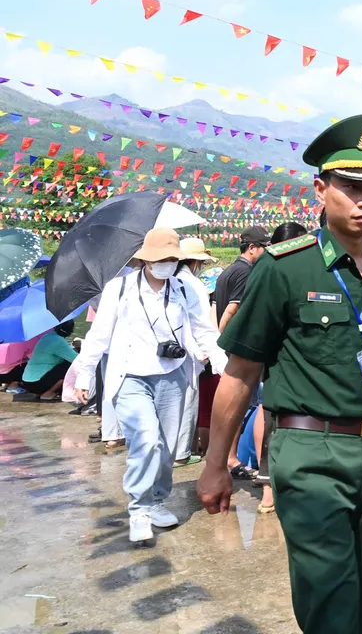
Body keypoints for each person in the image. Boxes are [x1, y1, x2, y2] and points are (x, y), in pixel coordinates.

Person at [196, 115, 362, 634]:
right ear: (321, 190)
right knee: (330, 601)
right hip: (310, 453)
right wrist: (216, 463)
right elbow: (241, 371)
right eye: (351, 187)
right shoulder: (284, 267)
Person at [73, 228, 227, 542]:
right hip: (131, 376)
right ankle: (139, 509)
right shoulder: (120, 288)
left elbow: (203, 330)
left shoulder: (184, 289)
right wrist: (85, 373)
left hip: (173, 377)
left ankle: (157, 500)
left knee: (167, 447)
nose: (166, 263)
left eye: (171, 258)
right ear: (145, 260)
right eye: (160, 258)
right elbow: (99, 334)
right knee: (146, 441)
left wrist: (220, 361)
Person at [200, 225, 271, 475]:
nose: (267, 253)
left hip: (230, 346)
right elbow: (231, 309)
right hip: (237, 347)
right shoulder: (245, 272)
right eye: (264, 247)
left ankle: (230, 457)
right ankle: (232, 458)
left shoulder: (229, 271)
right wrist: (222, 340)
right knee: (244, 406)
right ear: (252, 248)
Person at [251, 221, 311, 516]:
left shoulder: (305, 274)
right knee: (271, 422)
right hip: (277, 367)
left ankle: (278, 488)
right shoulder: (268, 272)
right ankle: (268, 488)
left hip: (293, 370)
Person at [172, 237, 216, 467]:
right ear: (196, 262)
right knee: (189, 401)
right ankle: (182, 452)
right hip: (192, 350)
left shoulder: (172, 280)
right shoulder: (192, 284)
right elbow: (202, 322)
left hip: (175, 351)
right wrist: (208, 351)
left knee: (175, 403)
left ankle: (178, 449)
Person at [19, 321, 77, 400]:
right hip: (37, 383)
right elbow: (76, 359)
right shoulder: (58, 340)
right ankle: (49, 393)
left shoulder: (47, 336)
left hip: (27, 382)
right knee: (69, 365)